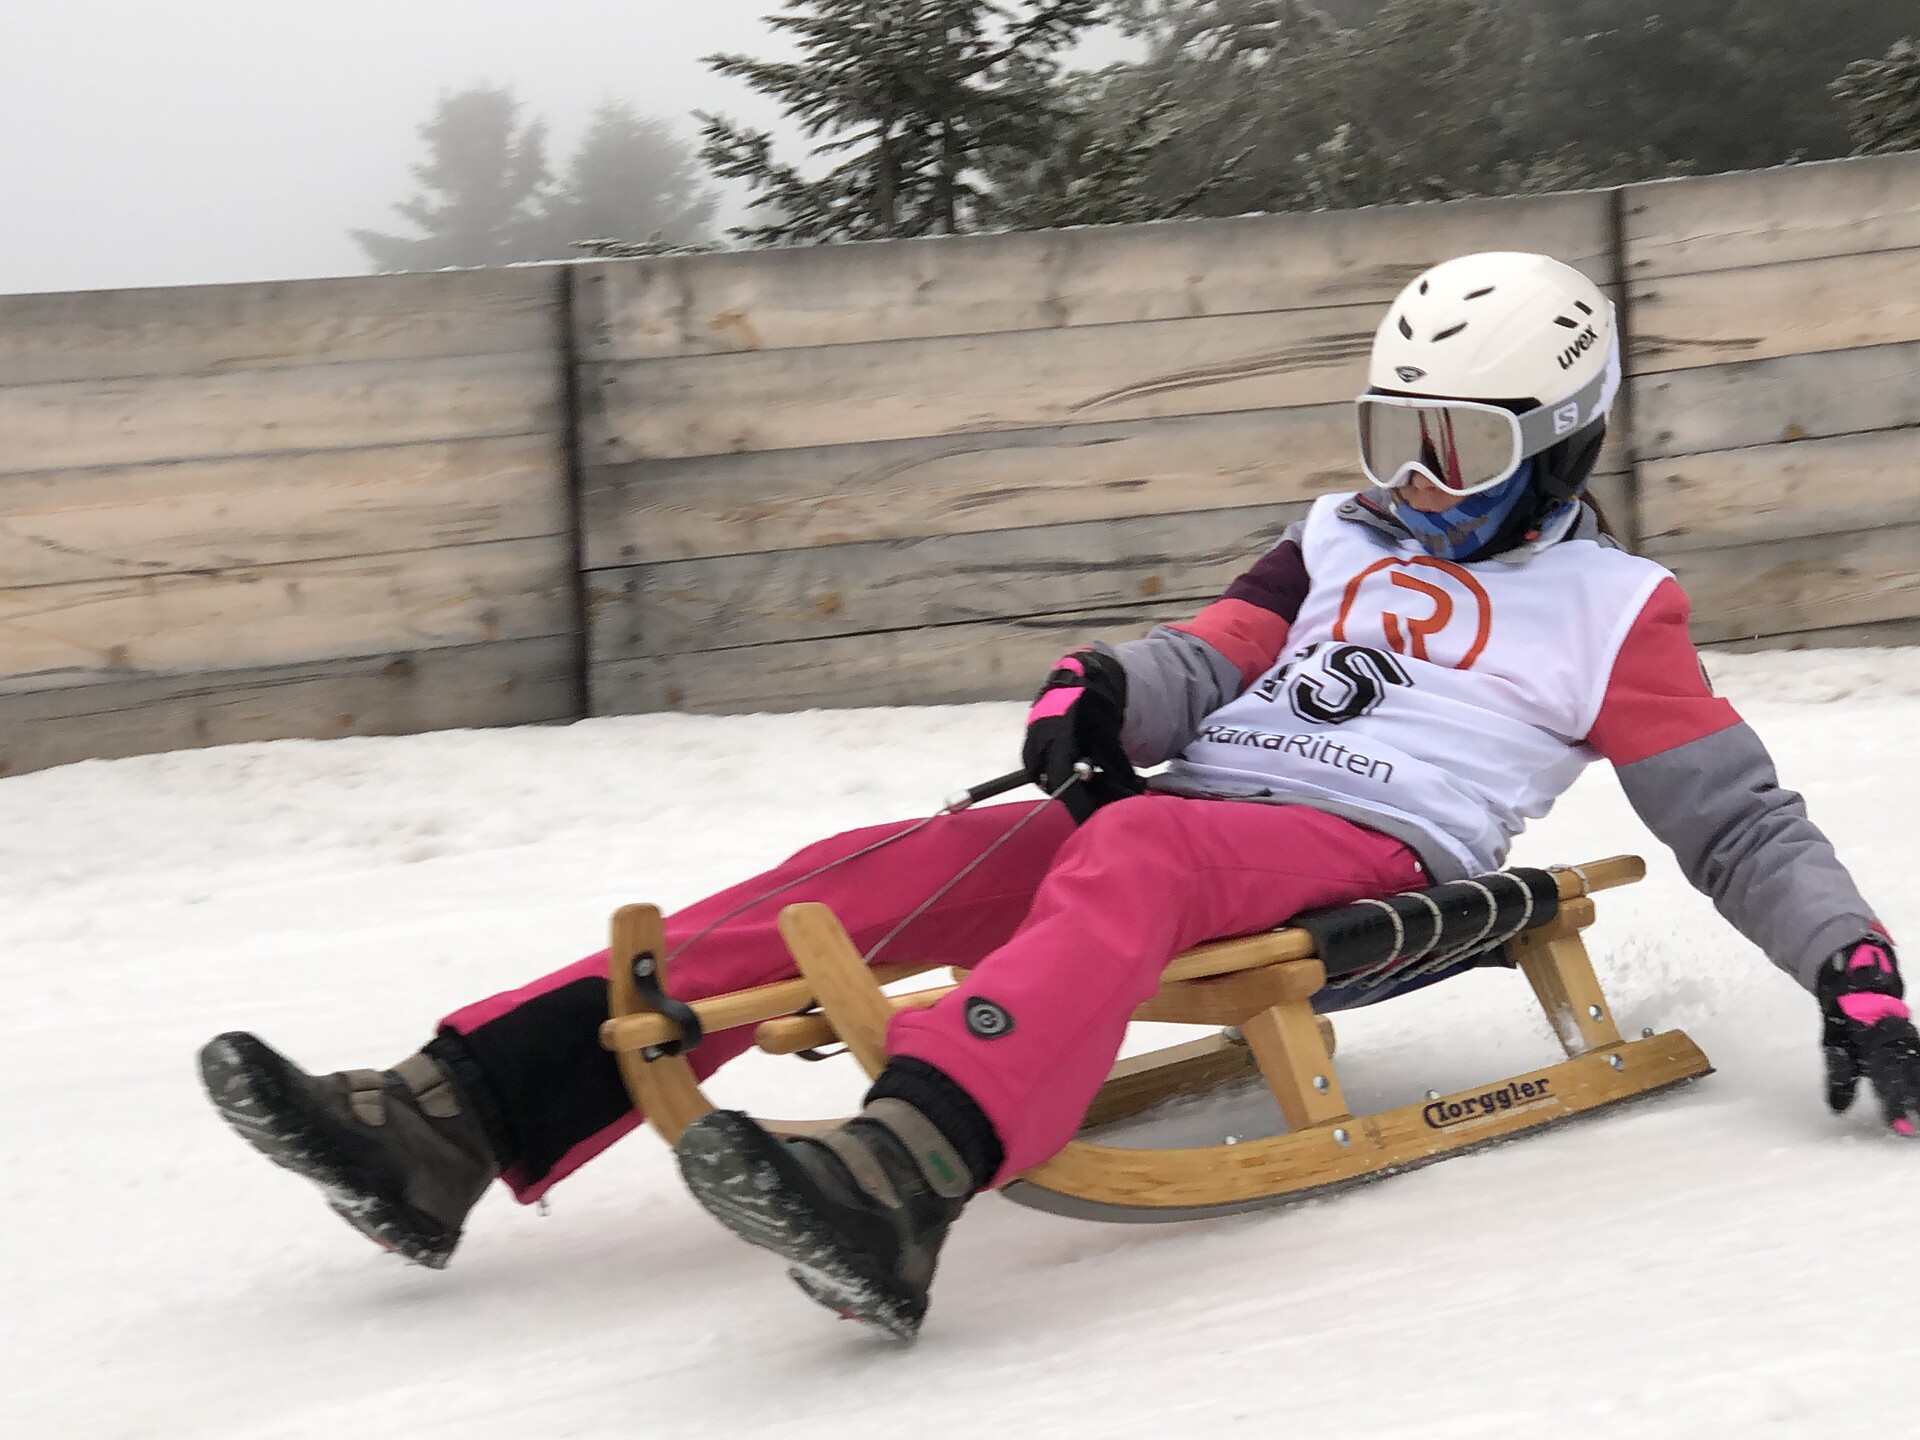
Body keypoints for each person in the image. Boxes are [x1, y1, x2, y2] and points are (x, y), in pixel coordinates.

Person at [199, 252, 1920, 1343]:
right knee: (884, 867)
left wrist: (1855, 969)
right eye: (1393, 428)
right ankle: (447, 1118)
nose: (1411, 479)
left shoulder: (1623, 614)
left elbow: (1739, 822)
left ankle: (905, 1184)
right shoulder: (1334, 535)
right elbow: (1217, 650)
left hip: (1364, 849)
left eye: (1456, 446)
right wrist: (1103, 688)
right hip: (1199, 798)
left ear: (1565, 438)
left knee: (1150, 842)